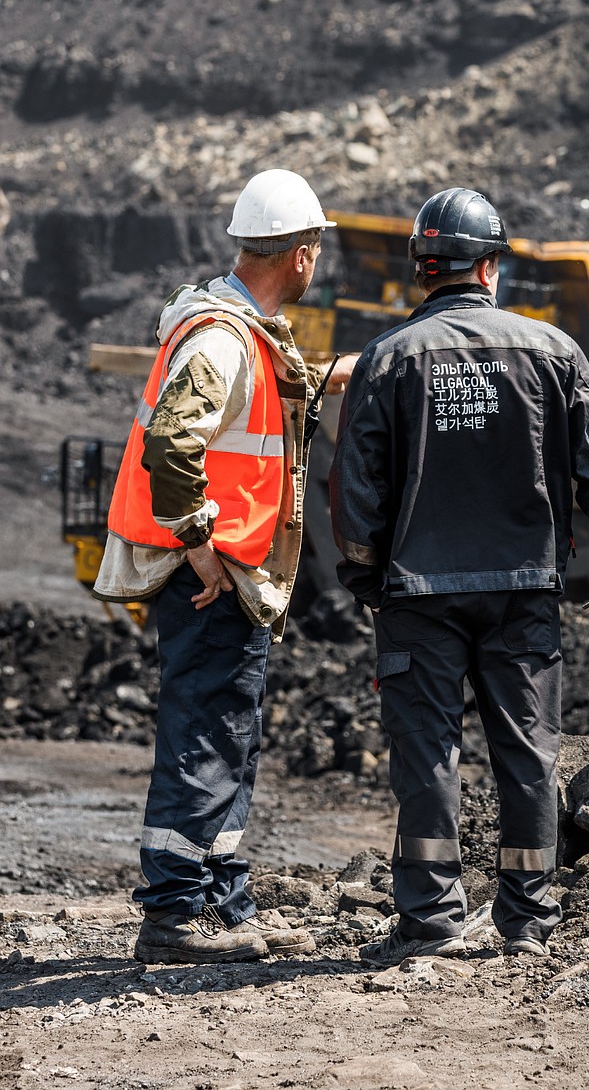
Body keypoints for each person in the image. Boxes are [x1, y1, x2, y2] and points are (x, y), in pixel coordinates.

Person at [329, 187, 589, 962]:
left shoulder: (386, 359)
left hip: (419, 594)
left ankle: (430, 920)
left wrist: (369, 578)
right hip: (523, 589)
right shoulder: (552, 351)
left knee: (427, 754)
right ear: (491, 267)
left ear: (422, 270)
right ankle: (527, 921)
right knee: (527, 752)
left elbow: (354, 490)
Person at [94, 168, 358, 964]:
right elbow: (172, 441)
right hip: (209, 576)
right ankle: (173, 914)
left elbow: (274, 395)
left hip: (235, 579)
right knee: (203, 736)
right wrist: (199, 542)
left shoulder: (243, 333)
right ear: (302, 255)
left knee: (229, 737)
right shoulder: (220, 337)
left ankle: (223, 899)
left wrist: (350, 370)